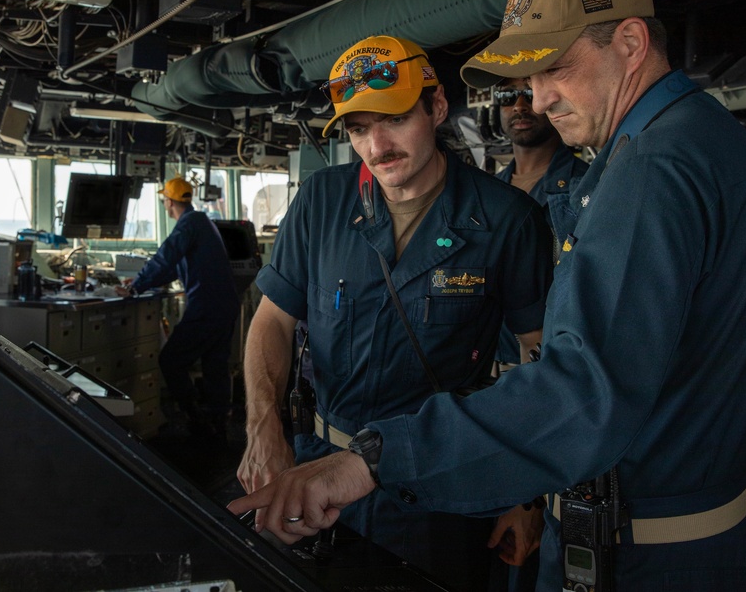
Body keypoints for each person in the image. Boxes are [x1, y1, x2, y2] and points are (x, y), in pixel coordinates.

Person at [229, 0, 746, 592]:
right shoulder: (705, 142)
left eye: (555, 67)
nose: (538, 98)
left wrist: (374, 460)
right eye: (529, 77)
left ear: (632, 42)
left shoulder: (648, 173)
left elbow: (576, 389)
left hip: (653, 549)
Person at [235, 34, 554, 590]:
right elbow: (273, 322)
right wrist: (263, 426)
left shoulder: (508, 219)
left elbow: (538, 356)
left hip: (441, 483)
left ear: (435, 108)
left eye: (394, 118)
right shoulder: (321, 202)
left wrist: (527, 494)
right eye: (358, 129)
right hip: (317, 474)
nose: (376, 144)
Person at [488, 80, 589, 590]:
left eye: (527, 94)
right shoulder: (485, 195)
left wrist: (528, 492)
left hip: (547, 395)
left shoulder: (589, 190)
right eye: (507, 98)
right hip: (487, 396)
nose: (519, 107)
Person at [119, 176, 239, 438]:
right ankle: (218, 424)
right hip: (224, 306)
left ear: (168, 201)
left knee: (171, 360)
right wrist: (142, 281)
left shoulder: (189, 224)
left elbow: (166, 255)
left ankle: (194, 415)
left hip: (206, 308)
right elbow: (173, 266)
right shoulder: (201, 221)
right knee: (215, 364)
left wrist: (135, 287)